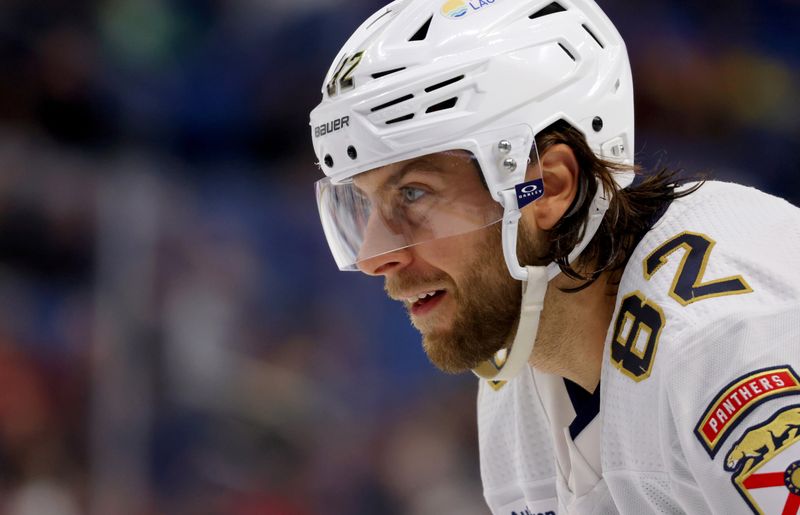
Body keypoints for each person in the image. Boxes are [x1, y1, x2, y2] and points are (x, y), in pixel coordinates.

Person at [309, 0, 800, 513]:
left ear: (547, 188)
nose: (372, 256)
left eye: (413, 194)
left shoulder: (729, 349)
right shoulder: (519, 366)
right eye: (364, 204)